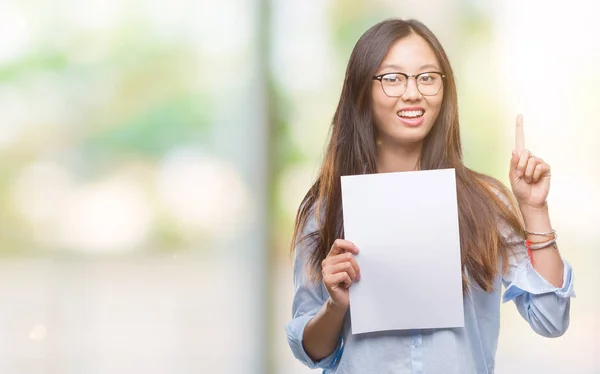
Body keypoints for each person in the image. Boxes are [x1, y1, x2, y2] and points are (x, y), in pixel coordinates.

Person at [285, 18, 574, 374]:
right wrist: (336, 305)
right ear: (363, 90)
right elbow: (311, 352)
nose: (412, 92)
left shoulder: (484, 202)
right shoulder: (328, 207)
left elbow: (551, 319)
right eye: (392, 78)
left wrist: (534, 209)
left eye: (427, 77)